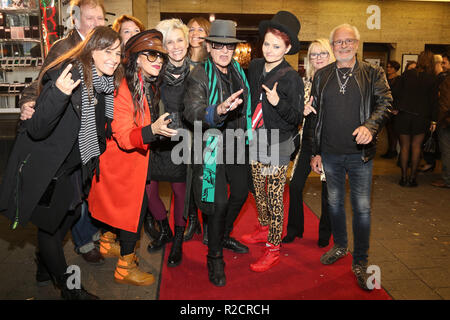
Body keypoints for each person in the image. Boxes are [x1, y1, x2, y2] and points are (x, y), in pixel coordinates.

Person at [0, 26, 123, 299]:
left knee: (69, 218)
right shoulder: (68, 73)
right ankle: (69, 289)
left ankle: (44, 265)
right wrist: (58, 94)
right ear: (92, 50)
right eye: (108, 51)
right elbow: (37, 128)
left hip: (73, 168)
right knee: (49, 228)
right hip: (48, 170)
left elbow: (99, 129)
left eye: (118, 53)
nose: (115, 58)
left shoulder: (103, 83)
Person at [18, 0, 107, 269]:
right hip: (60, 142)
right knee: (59, 209)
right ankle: (54, 265)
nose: (95, 23)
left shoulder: (99, 47)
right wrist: (26, 101)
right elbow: (41, 80)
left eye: (100, 18)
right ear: (77, 20)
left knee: (73, 204)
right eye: (90, 18)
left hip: (82, 142)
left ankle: (47, 261)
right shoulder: (64, 48)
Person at [88, 30, 177, 286]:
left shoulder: (143, 82)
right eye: (151, 55)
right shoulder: (125, 87)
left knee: (119, 209)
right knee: (132, 214)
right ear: (137, 58)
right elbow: (126, 137)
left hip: (131, 163)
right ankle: (125, 266)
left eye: (161, 55)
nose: (158, 60)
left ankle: (106, 243)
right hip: (122, 165)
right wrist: (153, 130)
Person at [310, 24, 392, 290]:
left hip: (360, 157)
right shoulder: (321, 76)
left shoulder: (373, 73)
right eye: (338, 42)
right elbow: (315, 117)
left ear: (357, 44)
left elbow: (386, 102)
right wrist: (316, 151)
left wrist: (370, 126)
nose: (343, 46)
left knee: (362, 210)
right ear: (332, 47)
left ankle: (360, 261)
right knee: (333, 205)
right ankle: (341, 246)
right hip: (330, 154)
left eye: (348, 41)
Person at [183, 19, 252, 286]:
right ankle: (214, 257)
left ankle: (221, 234)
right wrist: (218, 110)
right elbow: (191, 111)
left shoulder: (238, 71)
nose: (224, 52)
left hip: (235, 141)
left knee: (241, 192)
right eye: (219, 46)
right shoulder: (199, 73)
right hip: (210, 144)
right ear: (209, 47)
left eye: (229, 47)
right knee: (216, 202)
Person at [240, 11, 303, 272]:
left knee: (275, 196)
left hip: (278, 143)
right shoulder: (255, 66)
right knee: (257, 190)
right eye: (267, 43)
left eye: (277, 46)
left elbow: (295, 117)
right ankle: (263, 227)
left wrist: (278, 103)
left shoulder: (291, 78)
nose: (270, 50)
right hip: (256, 139)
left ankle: (273, 249)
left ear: (287, 48)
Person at [144, 18, 190, 267]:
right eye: (168, 42)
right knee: (149, 191)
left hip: (183, 141)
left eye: (179, 40)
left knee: (179, 192)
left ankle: (179, 239)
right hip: (156, 139)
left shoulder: (197, 71)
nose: (175, 47)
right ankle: (164, 228)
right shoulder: (154, 72)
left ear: (187, 42)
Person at [284, 38, 334, 248]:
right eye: (313, 54)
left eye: (322, 53)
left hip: (330, 146)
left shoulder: (337, 84)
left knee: (328, 193)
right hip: (307, 143)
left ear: (330, 55)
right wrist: (301, 112)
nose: (318, 58)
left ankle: (325, 234)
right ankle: (295, 229)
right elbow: (293, 115)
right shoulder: (305, 84)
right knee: (295, 186)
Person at [183, 16, 211, 243]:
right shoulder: (180, 59)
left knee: (208, 175)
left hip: (208, 128)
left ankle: (209, 222)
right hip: (186, 127)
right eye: (190, 29)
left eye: (200, 29)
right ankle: (192, 219)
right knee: (190, 174)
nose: (194, 33)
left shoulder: (213, 61)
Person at [393, 51, 439, 187]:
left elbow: (395, 93)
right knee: (416, 147)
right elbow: (434, 101)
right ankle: (412, 178)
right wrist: (434, 120)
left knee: (404, 147)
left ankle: (403, 178)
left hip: (403, 116)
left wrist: (395, 108)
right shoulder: (432, 79)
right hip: (422, 118)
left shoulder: (407, 74)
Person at [431, 75, 450, 188]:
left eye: (445, 62)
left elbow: (445, 103)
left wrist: (441, 119)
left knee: (447, 151)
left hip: (447, 121)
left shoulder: (447, 81)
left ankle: (447, 179)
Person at [381, 60, 401, 159]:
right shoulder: (385, 79)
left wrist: (397, 108)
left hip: (395, 109)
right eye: (387, 67)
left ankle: (393, 150)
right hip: (386, 108)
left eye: (391, 67)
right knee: (388, 131)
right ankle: (390, 150)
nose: (388, 69)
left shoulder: (399, 79)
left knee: (394, 131)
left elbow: (400, 95)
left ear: (395, 69)